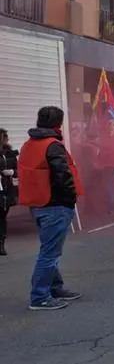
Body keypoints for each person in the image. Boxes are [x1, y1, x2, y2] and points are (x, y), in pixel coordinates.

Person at [17, 107, 83, 310]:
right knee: (49, 253)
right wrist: (71, 198)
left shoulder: (29, 144)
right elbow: (63, 176)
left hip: (38, 204)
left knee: (49, 249)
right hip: (55, 205)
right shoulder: (53, 145)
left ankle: (55, 287)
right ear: (59, 123)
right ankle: (40, 297)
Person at [0, 128, 18, 256]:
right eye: (4, 136)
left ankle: (1, 244)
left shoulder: (10, 153)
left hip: (7, 189)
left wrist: (12, 172)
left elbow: (17, 169)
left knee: (2, 216)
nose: (6, 138)